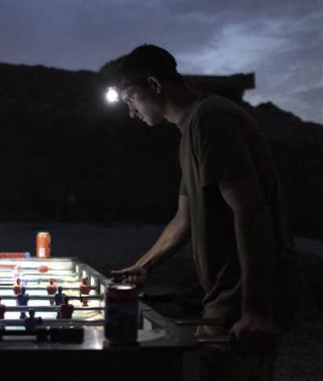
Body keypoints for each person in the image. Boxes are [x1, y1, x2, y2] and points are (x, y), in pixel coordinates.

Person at [103, 44, 300, 381]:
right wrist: (144, 266)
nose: (132, 112)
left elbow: (250, 209)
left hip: (243, 299)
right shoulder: (191, 129)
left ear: (154, 84)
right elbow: (185, 217)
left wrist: (255, 310)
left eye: (131, 100)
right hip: (224, 296)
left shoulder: (212, 119)